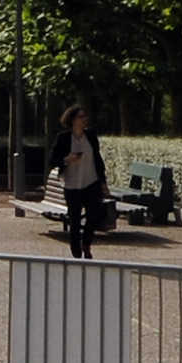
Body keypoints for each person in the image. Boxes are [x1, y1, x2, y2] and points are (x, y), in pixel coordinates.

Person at [48, 104, 106, 259]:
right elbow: (52, 160)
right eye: (81, 117)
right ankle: (76, 251)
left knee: (93, 214)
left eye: (85, 116)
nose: (84, 119)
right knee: (74, 218)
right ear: (72, 120)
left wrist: (103, 182)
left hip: (91, 181)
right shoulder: (63, 138)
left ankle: (86, 244)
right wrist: (67, 160)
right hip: (72, 184)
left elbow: (97, 159)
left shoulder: (91, 135)